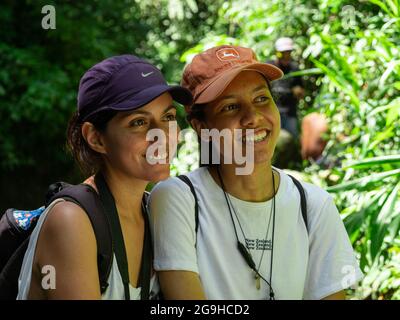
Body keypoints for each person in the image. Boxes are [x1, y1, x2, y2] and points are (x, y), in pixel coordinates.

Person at [149, 45, 363, 300]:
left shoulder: (314, 206)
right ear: (202, 127)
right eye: (230, 107)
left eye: (261, 99)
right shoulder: (179, 200)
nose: (253, 118)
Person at [16, 54, 192, 299]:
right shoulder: (72, 220)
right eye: (139, 122)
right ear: (96, 138)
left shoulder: (156, 212)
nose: (161, 135)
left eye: (169, 117)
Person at [266, 37, 305, 138]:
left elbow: (300, 90)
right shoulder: (269, 66)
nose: (286, 56)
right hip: (271, 113)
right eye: (283, 53)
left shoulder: (294, 69)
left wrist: (299, 92)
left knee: (292, 140)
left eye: (288, 53)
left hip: (289, 113)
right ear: (277, 53)